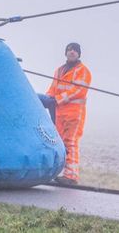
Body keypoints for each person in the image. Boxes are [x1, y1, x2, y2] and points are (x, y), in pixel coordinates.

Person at [45, 42, 91, 184]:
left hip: (74, 114)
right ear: (65, 53)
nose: (72, 52)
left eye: (75, 50)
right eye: (70, 50)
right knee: (60, 143)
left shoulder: (83, 71)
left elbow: (78, 90)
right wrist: (47, 99)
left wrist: (57, 99)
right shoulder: (59, 70)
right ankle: (60, 174)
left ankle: (71, 176)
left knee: (70, 142)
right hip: (59, 114)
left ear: (79, 54)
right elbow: (53, 88)